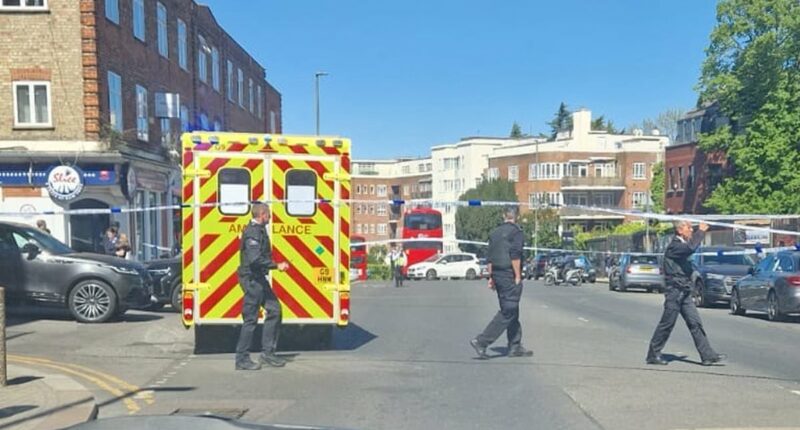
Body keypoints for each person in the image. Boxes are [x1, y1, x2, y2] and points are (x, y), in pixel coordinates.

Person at [646, 220, 726, 366]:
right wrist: (701, 231)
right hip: (675, 291)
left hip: (685, 291)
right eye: (689, 228)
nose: (691, 230)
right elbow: (691, 248)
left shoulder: (682, 244)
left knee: (695, 323)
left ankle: (707, 355)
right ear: (680, 230)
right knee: (667, 323)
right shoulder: (675, 246)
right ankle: (653, 354)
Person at [470, 206, 533, 359]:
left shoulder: (495, 232)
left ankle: (514, 345)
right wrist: (517, 276)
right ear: (517, 216)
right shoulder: (516, 232)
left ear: (504, 215)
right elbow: (515, 255)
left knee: (512, 309)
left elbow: (490, 257)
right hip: (508, 274)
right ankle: (481, 341)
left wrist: (491, 277)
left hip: (498, 274)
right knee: (508, 311)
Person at [235, 202, 289, 371]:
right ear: (262, 215)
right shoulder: (253, 232)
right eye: (269, 214)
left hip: (259, 279)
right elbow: (254, 259)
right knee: (251, 319)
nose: (271, 217)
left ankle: (268, 353)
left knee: (275, 310)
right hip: (252, 280)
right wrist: (276, 266)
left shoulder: (259, 230)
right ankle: (242, 359)